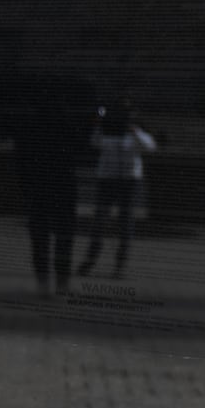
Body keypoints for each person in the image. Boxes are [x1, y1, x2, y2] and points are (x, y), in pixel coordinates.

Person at [78, 98, 156, 278]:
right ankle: (90, 261)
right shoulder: (108, 130)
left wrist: (134, 130)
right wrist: (100, 124)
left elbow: (150, 146)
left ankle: (119, 265)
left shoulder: (136, 132)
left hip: (128, 180)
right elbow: (95, 142)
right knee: (100, 222)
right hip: (109, 179)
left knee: (125, 222)